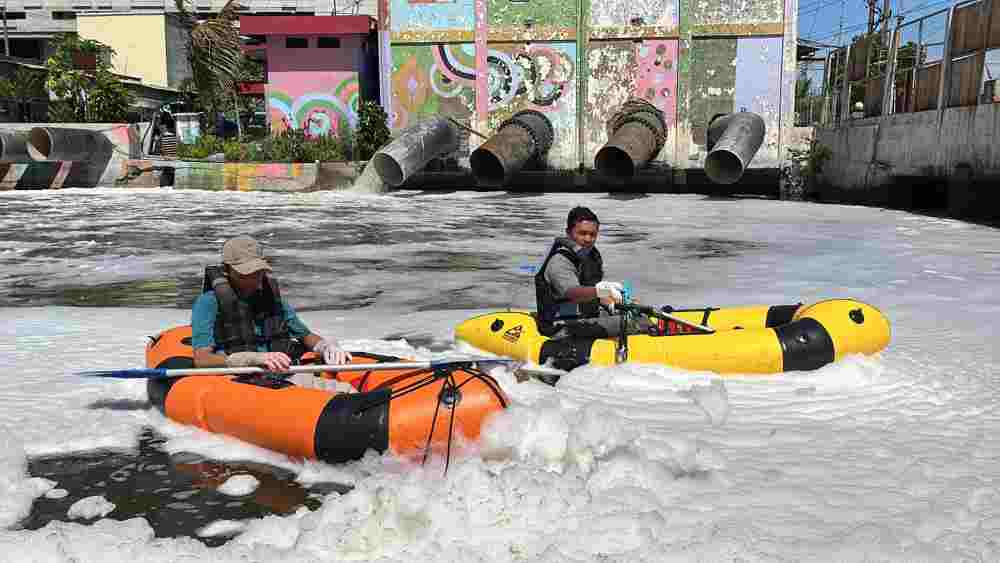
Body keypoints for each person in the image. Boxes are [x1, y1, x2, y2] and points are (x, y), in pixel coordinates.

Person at [191, 235, 352, 373]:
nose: (254, 279)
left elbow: (305, 336)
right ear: (226, 270)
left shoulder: (273, 300)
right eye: (246, 274)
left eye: (258, 272)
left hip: (281, 371)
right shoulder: (208, 302)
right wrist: (250, 359)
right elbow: (202, 359)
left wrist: (325, 346)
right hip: (239, 377)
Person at [534, 206, 659, 339]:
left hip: (585, 317)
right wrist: (600, 291)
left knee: (638, 315)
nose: (588, 239)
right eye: (582, 233)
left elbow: (595, 292)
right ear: (568, 233)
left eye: (593, 234)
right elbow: (574, 293)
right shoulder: (559, 261)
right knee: (637, 323)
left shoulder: (591, 257)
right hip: (561, 326)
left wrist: (618, 302)